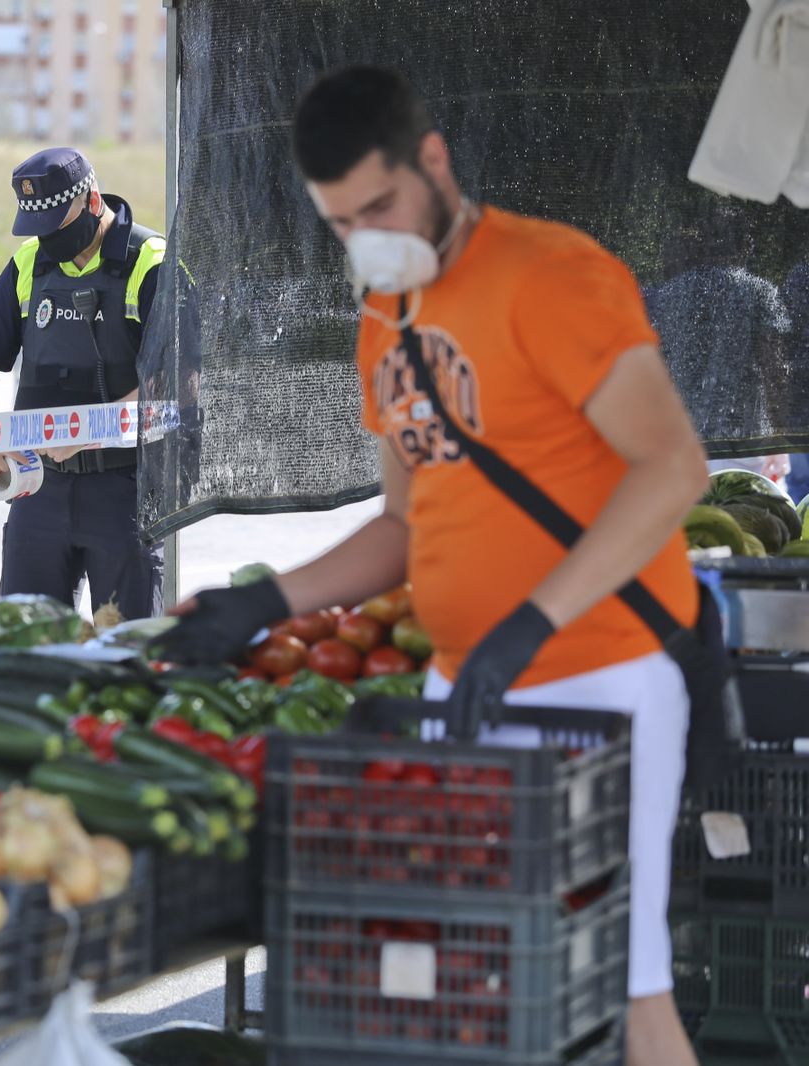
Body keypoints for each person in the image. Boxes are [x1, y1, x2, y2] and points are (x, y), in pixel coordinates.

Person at [156, 68, 707, 1066]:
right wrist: (265, 601)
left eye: (379, 204)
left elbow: (671, 466)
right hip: (464, 690)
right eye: (340, 222)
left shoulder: (552, 274)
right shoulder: (386, 318)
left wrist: (533, 621)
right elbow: (407, 525)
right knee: (471, 985)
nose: (366, 234)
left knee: (626, 988)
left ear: (435, 162)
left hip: (603, 679)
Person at [0, 147, 168, 622]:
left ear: (92, 201)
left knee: (128, 655)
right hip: (38, 492)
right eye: (38, 227)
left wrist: (94, 428)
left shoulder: (151, 262)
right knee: (24, 649)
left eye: (56, 223)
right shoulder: (30, 263)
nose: (47, 237)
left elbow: (181, 380)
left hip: (126, 492)